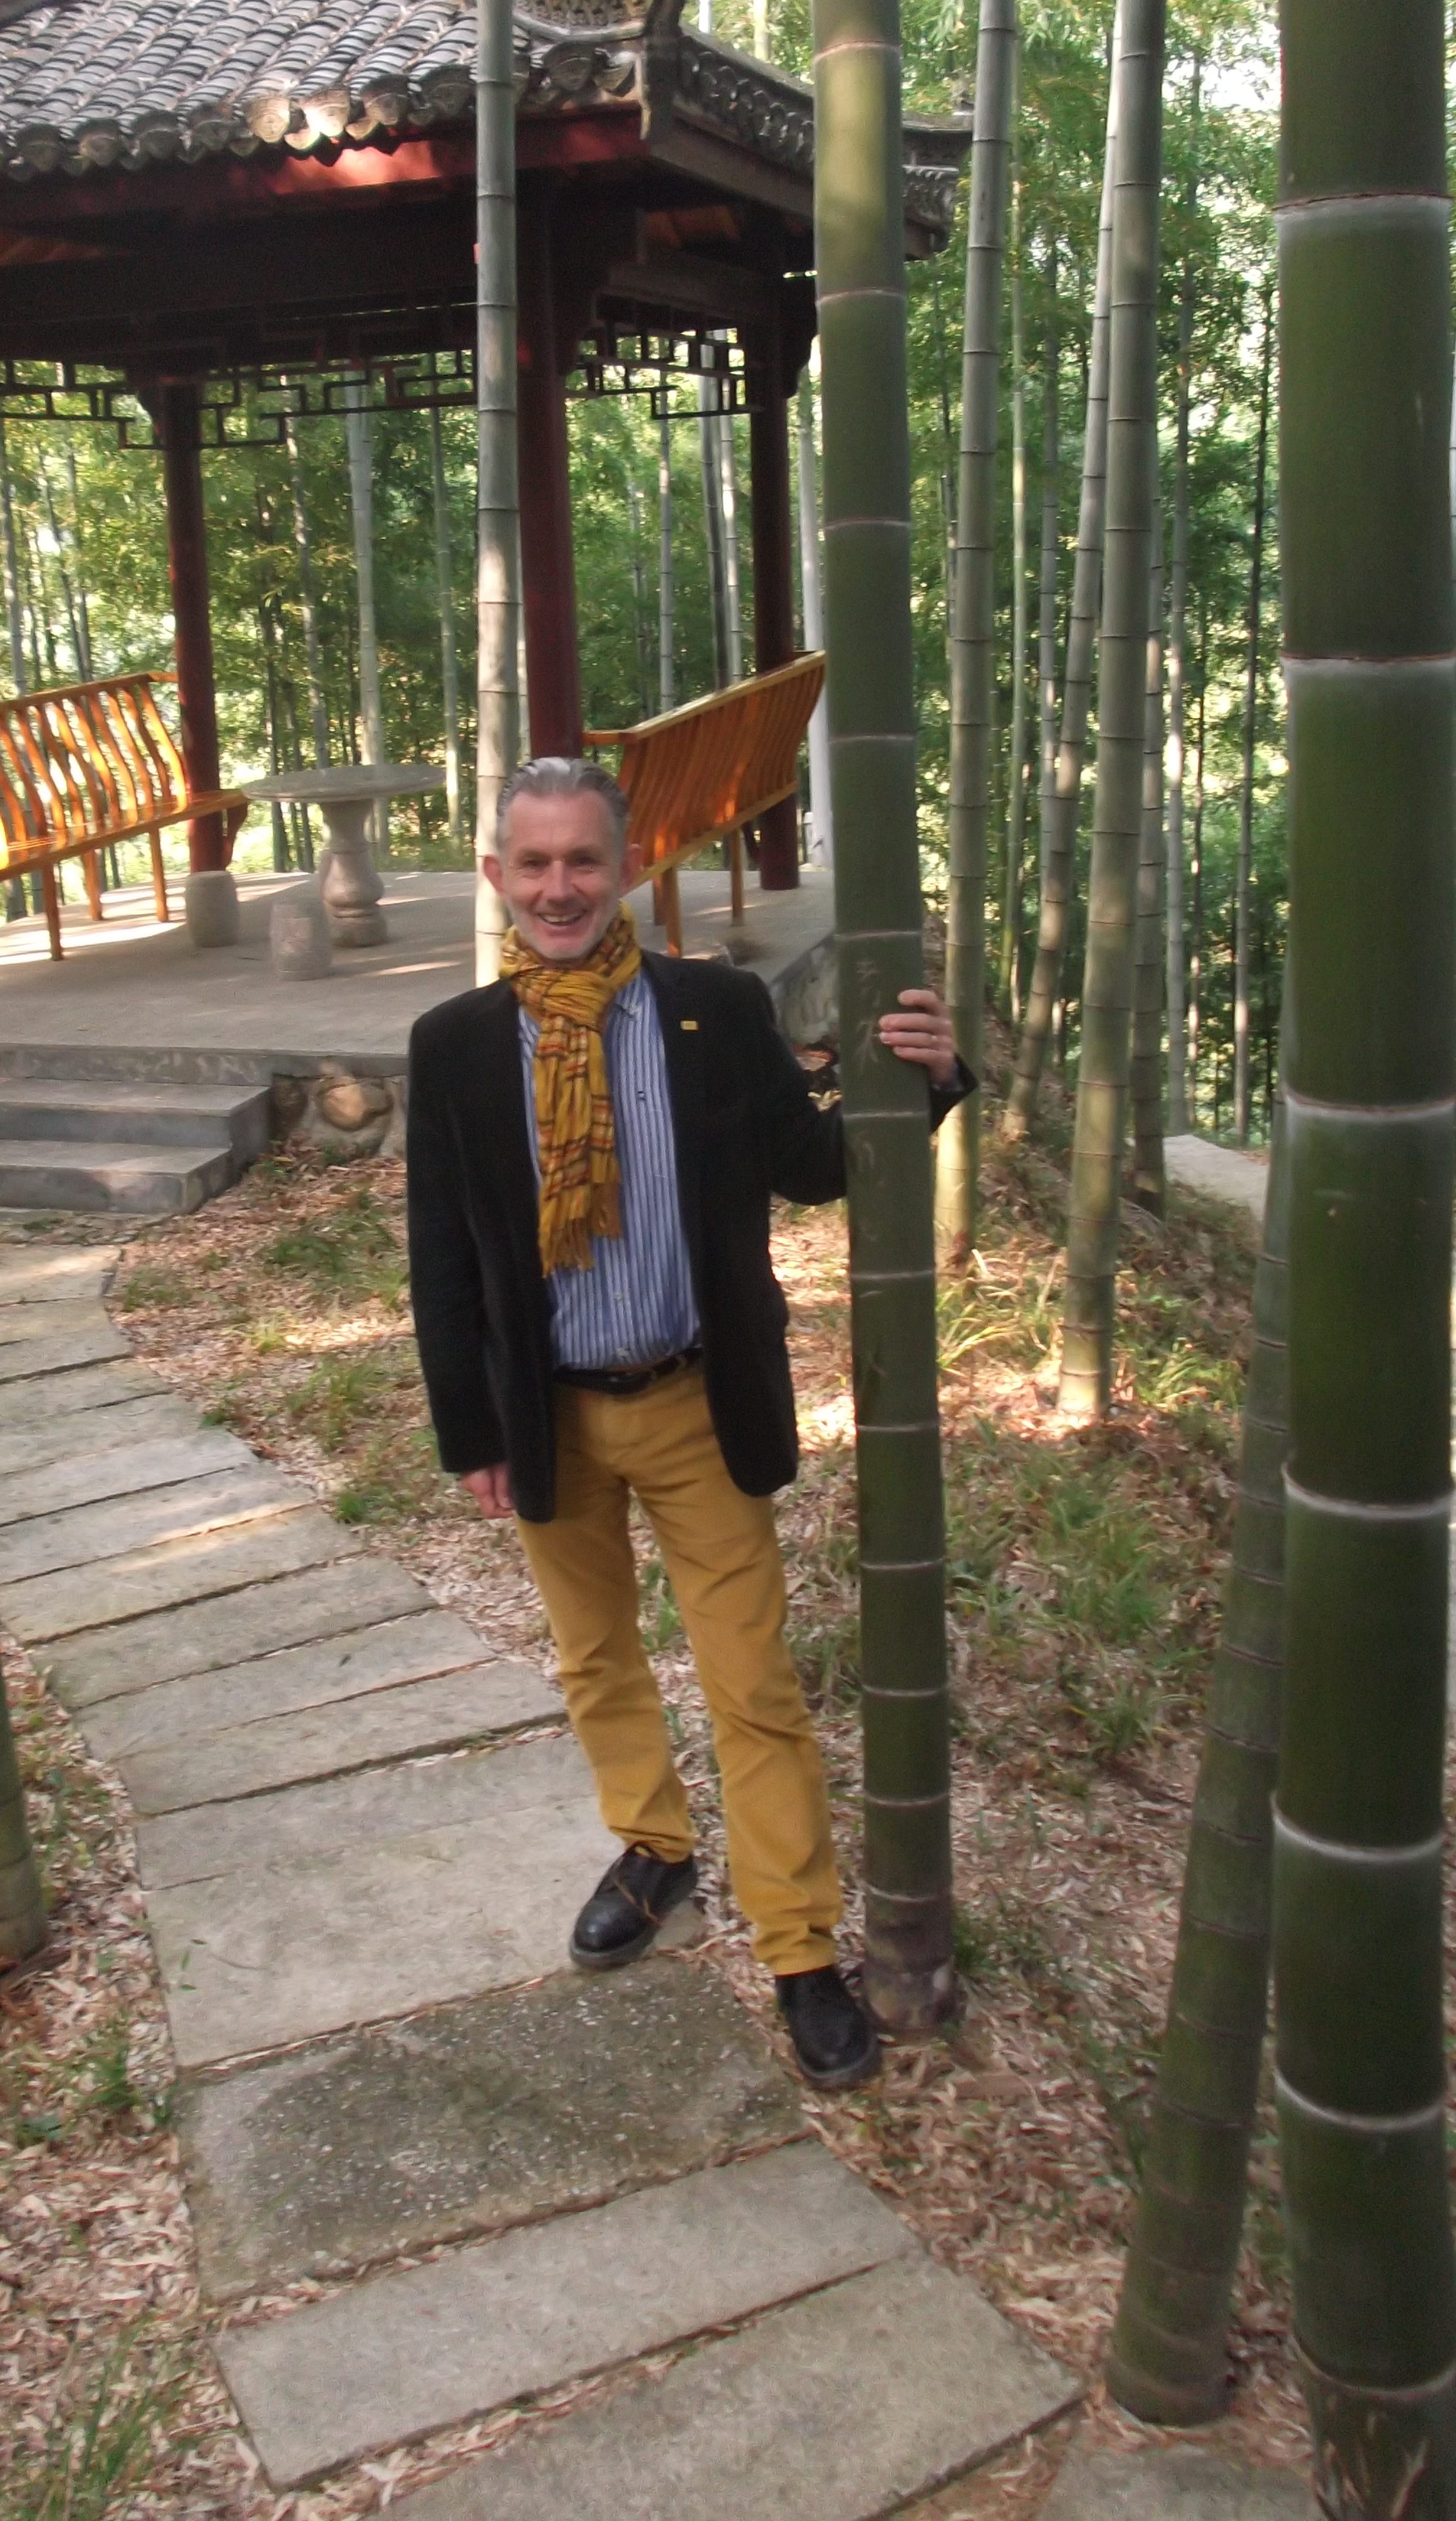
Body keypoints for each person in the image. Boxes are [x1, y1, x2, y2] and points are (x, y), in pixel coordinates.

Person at [406, 756, 968, 2091]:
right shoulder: (457, 1047)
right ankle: (653, 1847)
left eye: (583, 862)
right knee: (595, 1659)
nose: (559, 888)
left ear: (629, 873)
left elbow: (815, 1168)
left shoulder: (713, 1013)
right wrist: (468, 1427)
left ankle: (795, 1948)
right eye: (533, 864)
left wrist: (928, 1084)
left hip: (696, 1402)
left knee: (752, 1688)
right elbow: (441, 1253)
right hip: (549, 1411)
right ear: (497, 878)